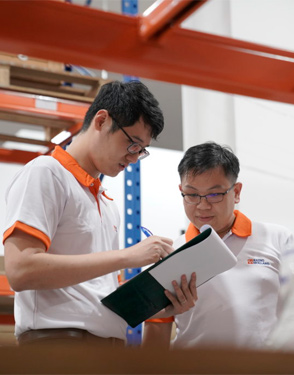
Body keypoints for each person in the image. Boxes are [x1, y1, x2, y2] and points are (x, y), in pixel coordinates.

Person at [3, 80, 197, 346]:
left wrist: (161, 306)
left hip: (107, 348)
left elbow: (94, 298)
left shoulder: (107, 205)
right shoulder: (47, 172)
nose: (132, 157)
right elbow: (20, 270)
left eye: (141, 151)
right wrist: (127, 256)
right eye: (132, 144)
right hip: (59, 347)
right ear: (102, 120)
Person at [142, 141, 293, 350]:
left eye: (214, 194)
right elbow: (155, 338)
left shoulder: (277, 239)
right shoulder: (169, 254)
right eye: (192, 195)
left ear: (236, 191)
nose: (203, 205)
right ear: (181, 191)